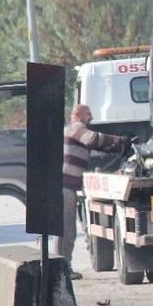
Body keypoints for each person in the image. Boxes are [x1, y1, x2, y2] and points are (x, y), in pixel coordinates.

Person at [57, 104, 130, 279]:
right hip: (65, 187)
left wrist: (114, 147)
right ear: (78, 115)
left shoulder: (75, 131)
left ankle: (61, 268)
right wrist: (119, 140)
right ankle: (62, 270)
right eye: (88, 114)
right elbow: (93, 139)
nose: (91, 117)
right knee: (66, 232)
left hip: (67, 187)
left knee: (66, 232)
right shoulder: (75, 128)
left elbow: (97, 145)